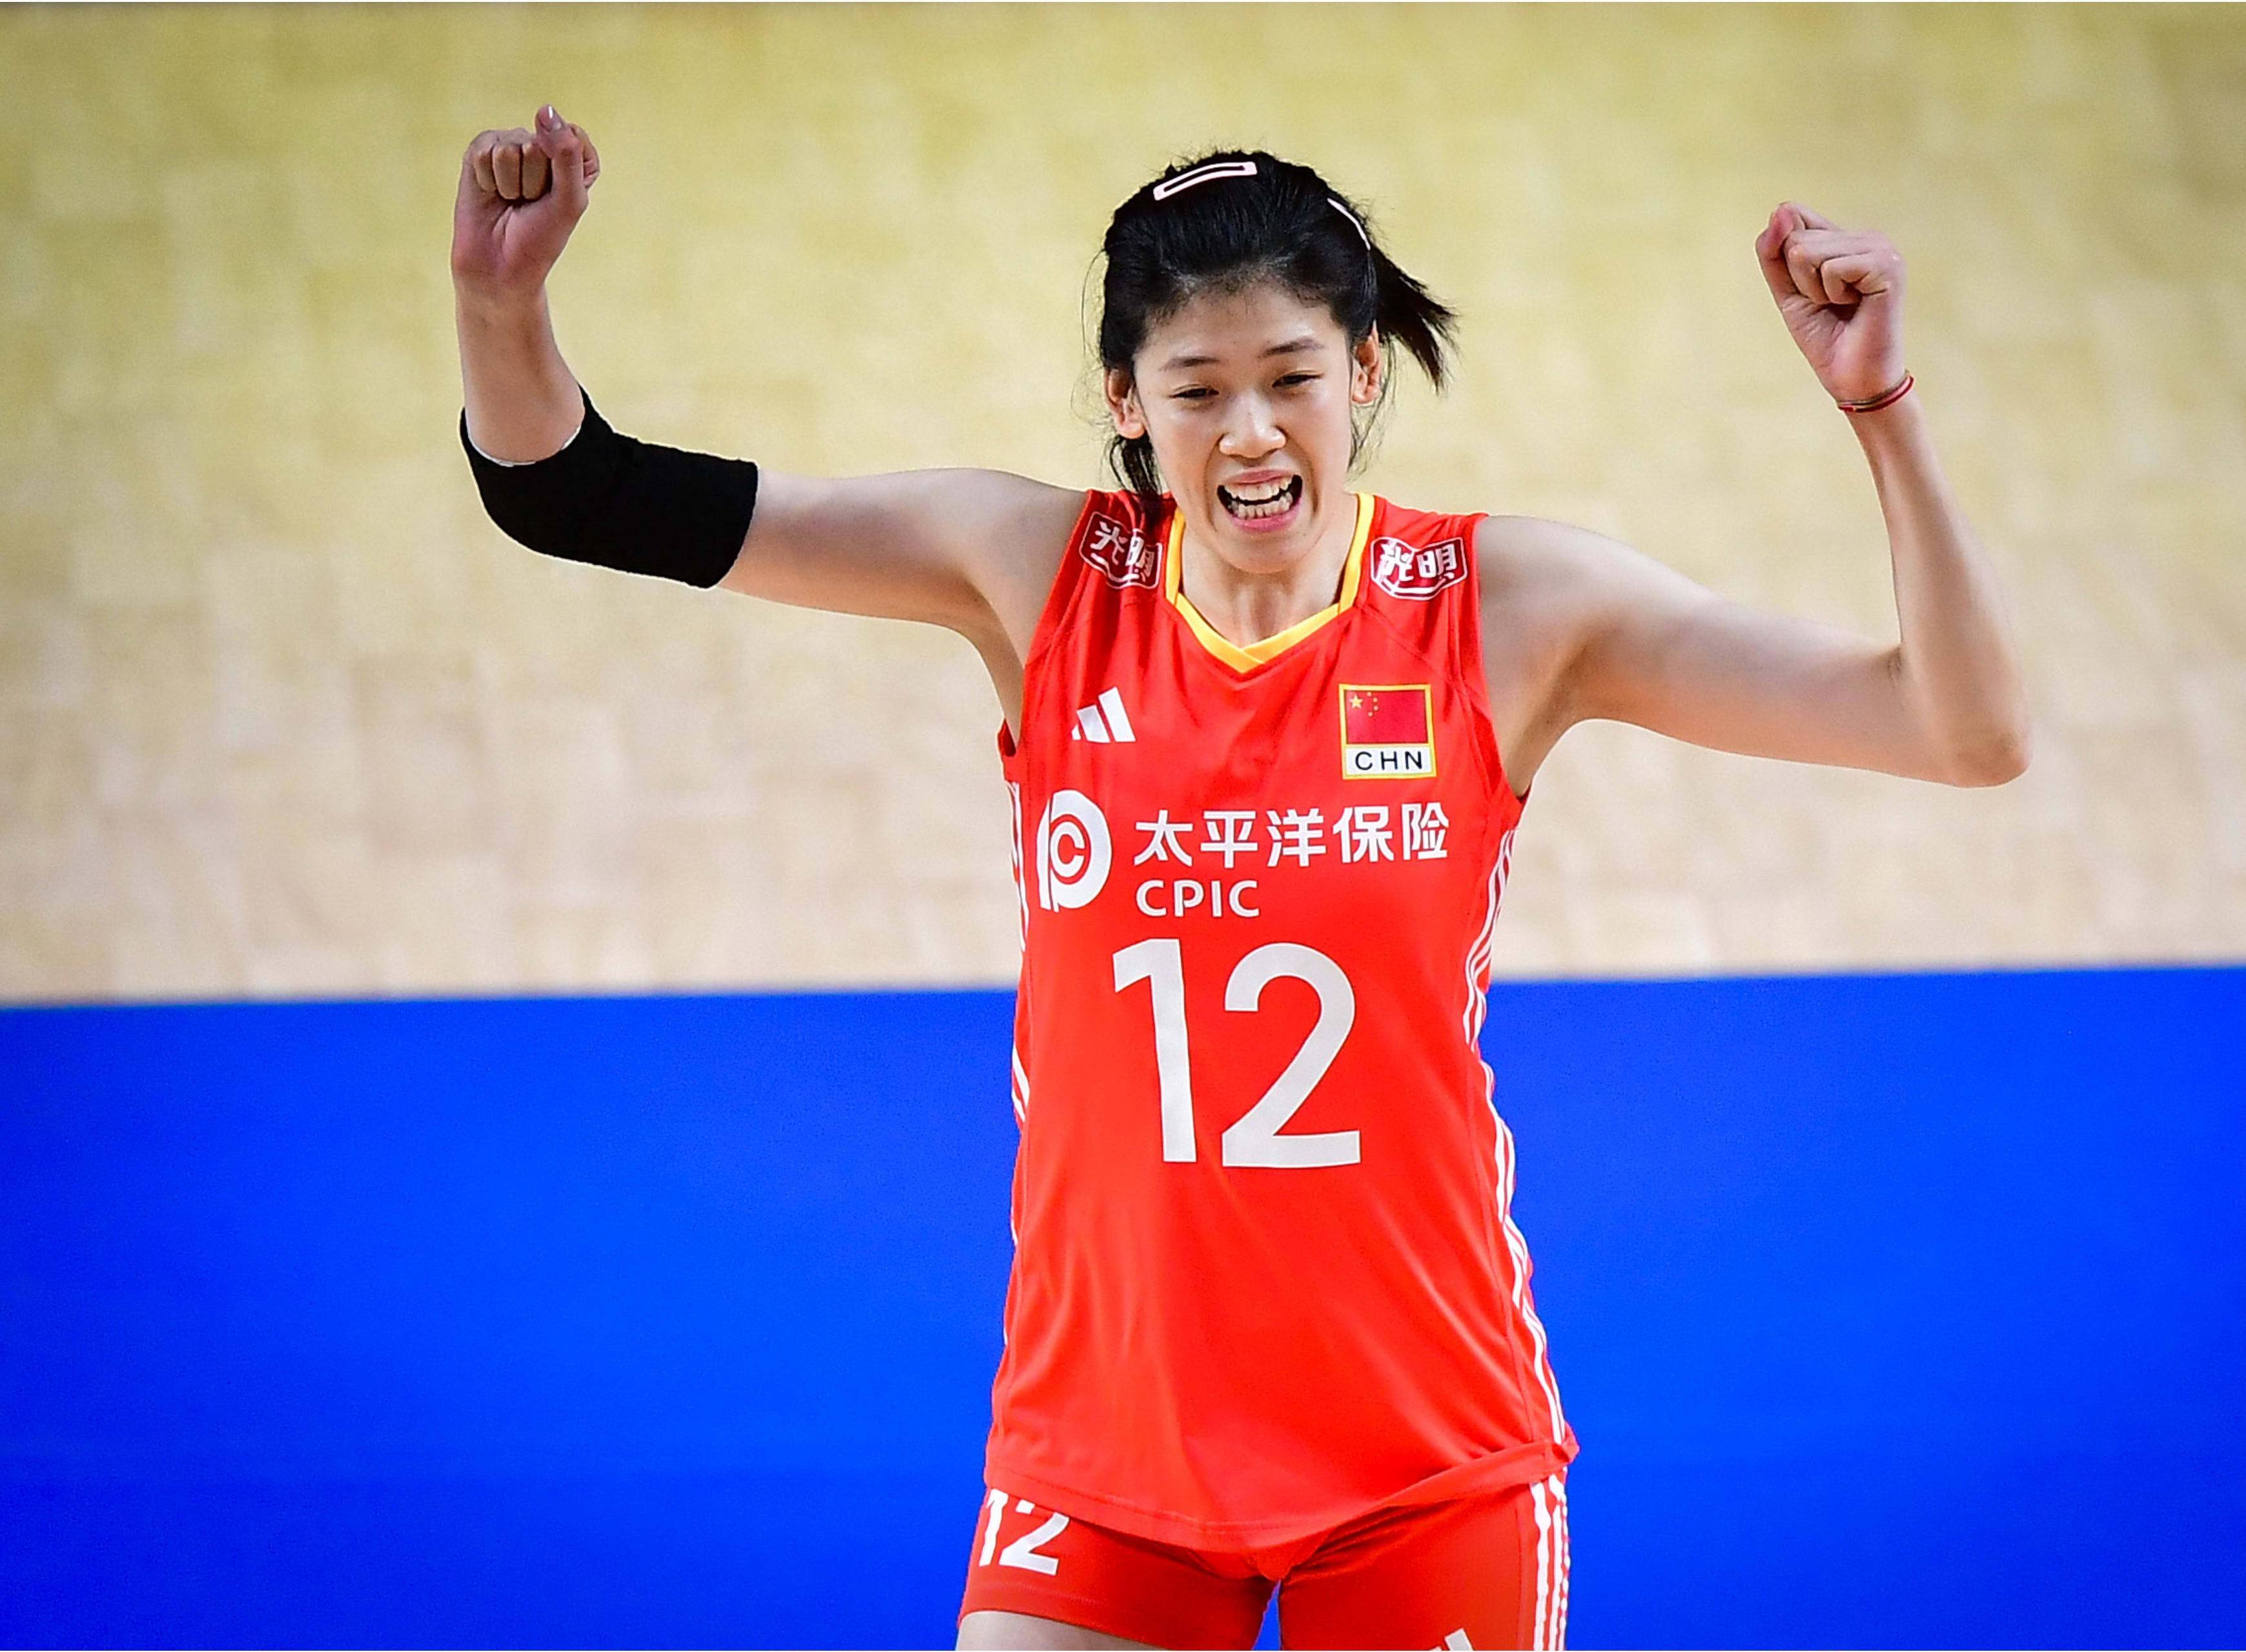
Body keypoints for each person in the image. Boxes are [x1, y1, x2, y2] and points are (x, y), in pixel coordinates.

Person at [451, 105, 2028, 1652]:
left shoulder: (1504, 608)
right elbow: (573, 488)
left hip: (1422, 1461)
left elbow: (1959, 731)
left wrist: (1883, 409)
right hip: (1104, 1457)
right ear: (1126, 400)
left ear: (1364, 371)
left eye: (1291, 377)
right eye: (1197, 389)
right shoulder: (1034, 577)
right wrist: (497, 304)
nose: (1253, 433)